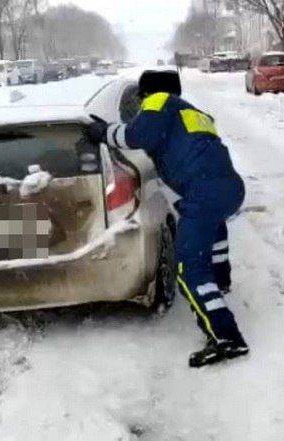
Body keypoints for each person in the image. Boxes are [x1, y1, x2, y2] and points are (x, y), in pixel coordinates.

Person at [86, 71, 249, 368]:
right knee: (214, 232)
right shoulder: (195, 114)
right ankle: (221, 280)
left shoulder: (159, 100)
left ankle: (227, 337)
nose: (141, 102)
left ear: (148, 93)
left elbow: (136, 136)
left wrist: (104, 132)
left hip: (202, 191)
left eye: (141, 97)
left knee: (188, 270)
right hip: (230, 188)